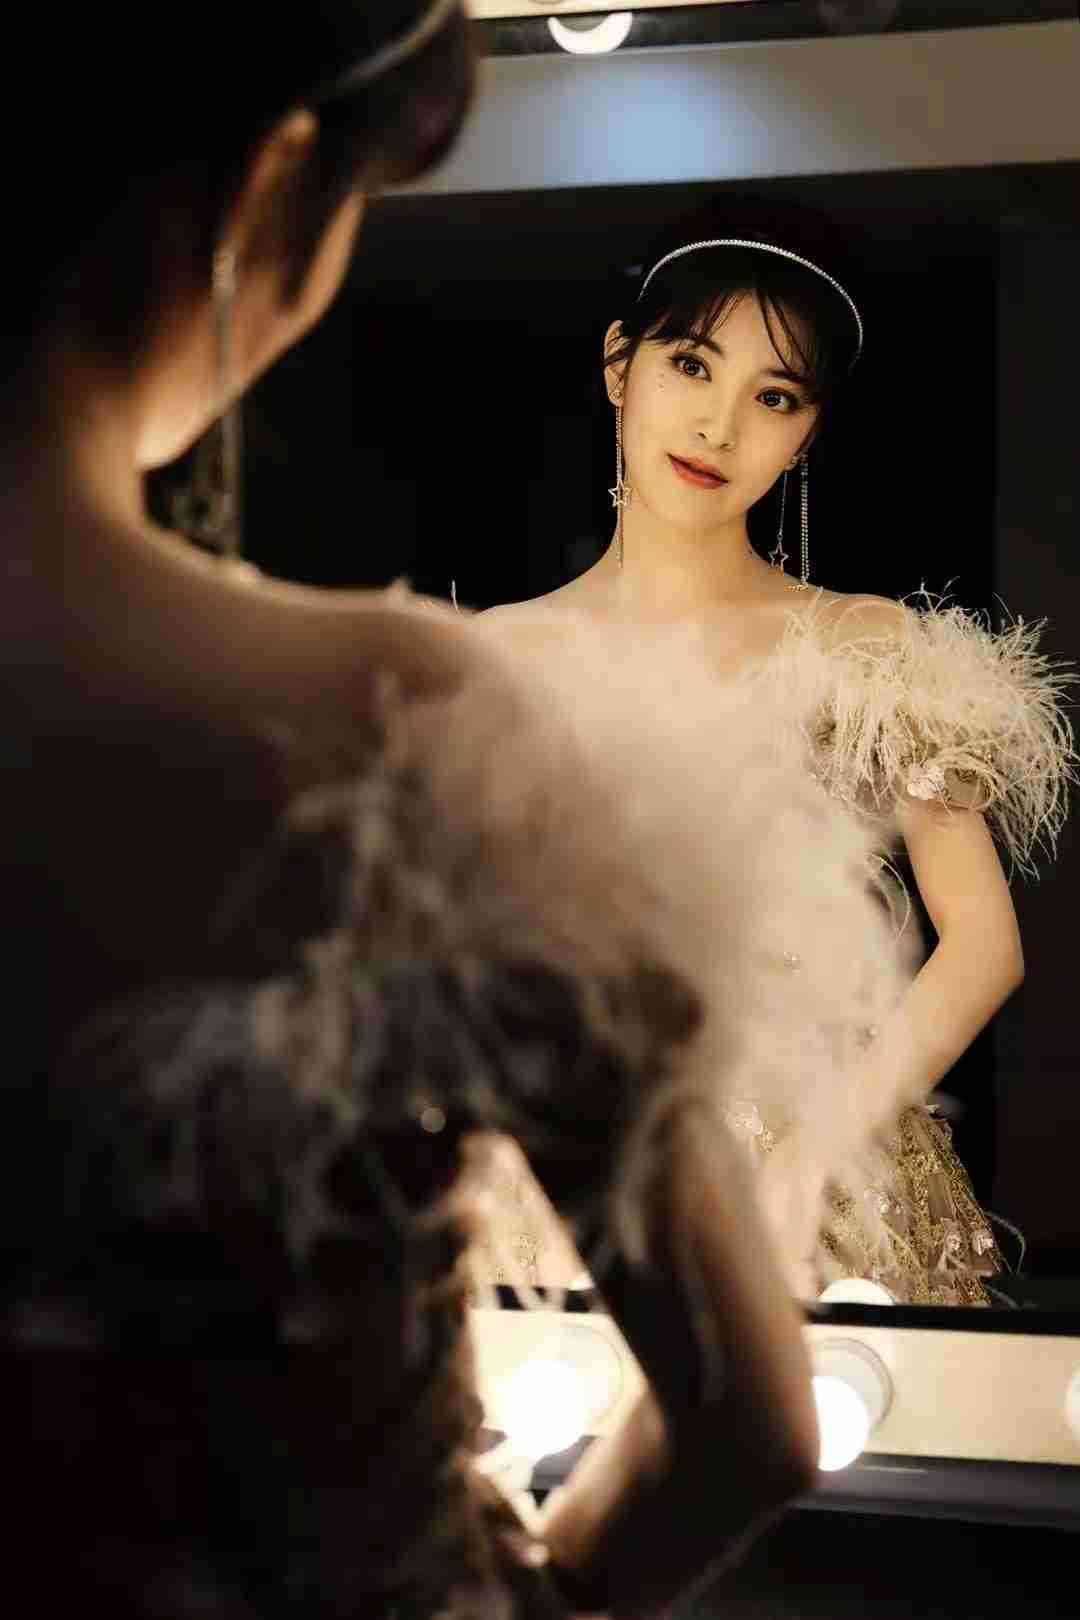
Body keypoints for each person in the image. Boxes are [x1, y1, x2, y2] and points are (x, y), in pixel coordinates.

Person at [0, 11, 899, 1617]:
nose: (717, 419)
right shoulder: (395, 724)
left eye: (770, 394)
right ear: (274, 189)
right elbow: (750, 1423)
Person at [478, 193, 1077, 1307]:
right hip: (562, 1186)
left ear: (807, 432)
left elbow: (984, 943)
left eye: (774, 396)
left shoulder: (864, 648)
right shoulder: (496, 658)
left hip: (815, 1196)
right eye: (691, 366)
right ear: (619, 367)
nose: (719, 428)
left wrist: (804, 1169)